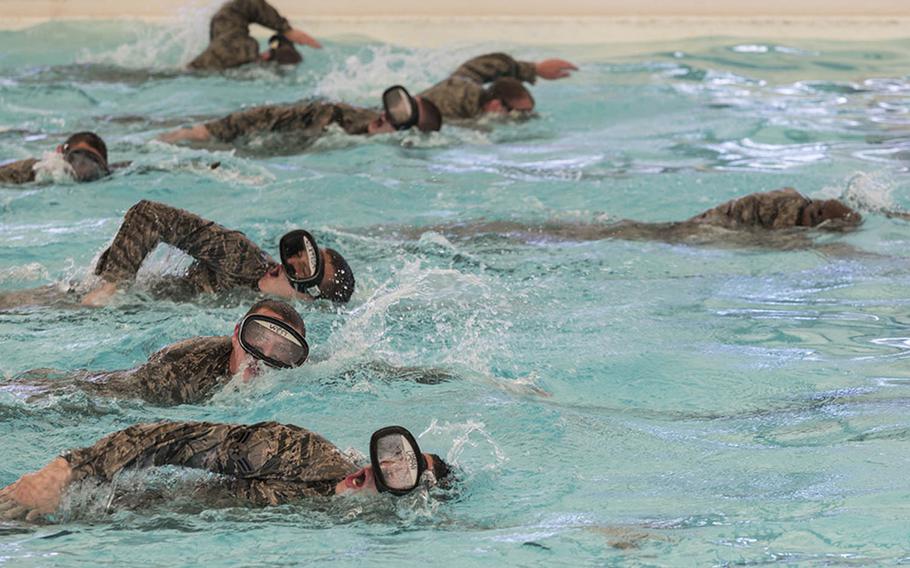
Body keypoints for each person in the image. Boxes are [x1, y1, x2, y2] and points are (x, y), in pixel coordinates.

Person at [0, 421, 451, 522]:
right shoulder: (296, 451)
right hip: (88, 503)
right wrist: (63, 472)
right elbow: (172, 437)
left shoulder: (335, 522)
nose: (381, 467)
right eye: (389, 454)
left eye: (398, 474)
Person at [6, 299, 309, 406]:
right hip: (110, 390)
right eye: (257, 338)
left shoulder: (288, 384)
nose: (263, 355)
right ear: (235, 334)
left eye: (281, 351)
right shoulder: (182, 366)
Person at [79, 200, 355, 306]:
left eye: (301, 270)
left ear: (308, 297)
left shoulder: (278, 330)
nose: (287, 263)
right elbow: (148, 215)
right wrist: (112, 285)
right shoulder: (240, 256)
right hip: (93, 305)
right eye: (295, 253)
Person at [374, 188, 863, 248]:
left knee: (558, 235)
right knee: (555, 239)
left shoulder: (785, 197)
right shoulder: (786, 214)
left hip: (664, 228)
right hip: (670, 234)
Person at [158, 85, 442, 148]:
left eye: (398, 115)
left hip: (272, 139)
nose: (385, 114)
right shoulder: (351, 119)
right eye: (392, 106)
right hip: (262, 121)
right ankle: (155, 141)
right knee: (196, 136)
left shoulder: (369, 141)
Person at [418, 52, 578, 121]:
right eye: (519, 115)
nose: (521, 120)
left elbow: (493, 64)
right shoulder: (452, 103)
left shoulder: (468, 81)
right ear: (495, 105)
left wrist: (535, 69)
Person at [187, 0, 321, 71]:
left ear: (267, 55)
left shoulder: (237, 47)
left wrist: (285, 29)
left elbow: (235, 9)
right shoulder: (247, 59)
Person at [0, 132, 110, 185]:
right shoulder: (27, 169)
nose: (82, 167)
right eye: (76, 156)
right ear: (59, 152)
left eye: (92, 161)